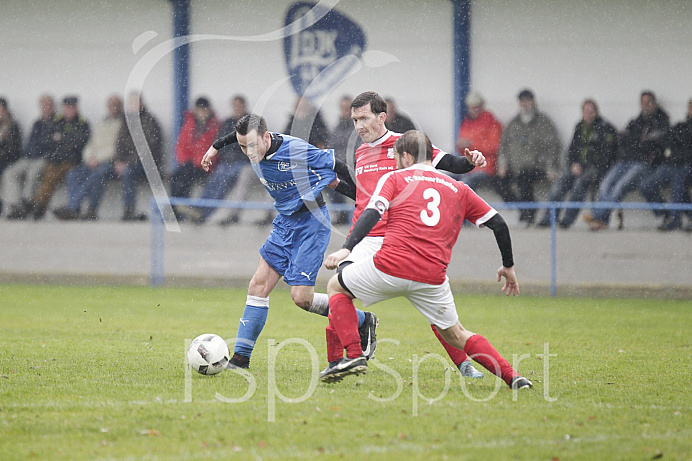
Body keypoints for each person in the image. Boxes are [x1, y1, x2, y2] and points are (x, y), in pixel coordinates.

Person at [319, 130, 532, 391]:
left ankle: (354, 356)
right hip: (432, 277)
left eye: (398, 158)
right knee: (457, 334)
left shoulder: (395, 178)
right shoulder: (459, 188)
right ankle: (514, 378)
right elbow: (499, 224)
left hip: (391, 265)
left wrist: (346, 249)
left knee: (336, 287)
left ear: (406, 157)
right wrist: (508, 266)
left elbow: (372, 213)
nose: (397, 163)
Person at [199, 113, 374, 369]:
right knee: (257, 286)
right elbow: (235, 138)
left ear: (266, 137)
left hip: (312, 223)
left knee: (302, 298)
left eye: (251, 145)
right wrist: (214, 148)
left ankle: (361, 320)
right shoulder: (252, 142)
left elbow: (336, 166)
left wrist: (365, 199)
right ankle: (240, 359)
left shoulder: (296, 150)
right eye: (242, 146)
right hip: (285, 222)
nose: (247, 152)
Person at [341, 91, 488, 379]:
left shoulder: (405, 145)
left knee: (432, 306)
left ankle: (464, 363)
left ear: (382, 117)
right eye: (354, 120)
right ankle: (346, 357)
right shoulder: (359, 152)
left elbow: (453, 164)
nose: (358, 126)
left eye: (364, 118)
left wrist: (471, 162)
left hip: (400, 238)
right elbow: (362, 196)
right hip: (365, 240)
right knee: (339, 291)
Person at [584, 91, 670, 231]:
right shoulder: (636, 121)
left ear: (655, 103)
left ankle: (599, 217)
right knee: (605, 184)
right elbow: (622, 137)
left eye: (648, 102)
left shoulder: (662, 121)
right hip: (627, 160)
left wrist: (638, 143)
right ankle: (601, 220)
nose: (645, 105)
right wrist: (637, 143)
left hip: (645, 164)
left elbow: (654, 143)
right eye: (643, 102)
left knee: (620, 186)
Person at [536, 99, 618, 228]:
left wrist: (590, 165)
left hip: (596, 168)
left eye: (591, 111)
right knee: (560, 183)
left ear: (596, 112)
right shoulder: (579, 127)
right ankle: (549, 218)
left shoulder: (606, 128)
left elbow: (607, 155)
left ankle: (567, 220)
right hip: (578, 167)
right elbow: (572, 150)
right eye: (585, 111)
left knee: (580, 184)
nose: (588, 114)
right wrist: (573, 164)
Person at [178, 95, 253, 225]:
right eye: (235, 106)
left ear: (245, 107)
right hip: (227, 162)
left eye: (239, 106)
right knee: (216, 178)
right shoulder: (228, 123)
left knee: (223, 180)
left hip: (243, 162)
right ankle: (199, 208)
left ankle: (204, 212)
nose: (237, 109)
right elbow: (220, 143)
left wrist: (237, 155)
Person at [53, 95, 124, 220]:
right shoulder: (102, 122)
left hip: (109, 162)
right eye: (111, 105)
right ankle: (76, 209)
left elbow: (116, 147)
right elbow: (91, 143)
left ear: (120, 107)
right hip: (92, 160)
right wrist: (89, 157)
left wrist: (98, 159)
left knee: (97, 175)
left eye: (115, 105)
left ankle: (75, 207)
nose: (113, 108)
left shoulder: (123, 124)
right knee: (72, 174)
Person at [496, 89, 562, 225]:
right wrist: (503, 163)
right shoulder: (513, 124)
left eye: (527, 101)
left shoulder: (543, 122)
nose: (524, 104)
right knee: (498, 182)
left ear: (533, 102)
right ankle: (523, 208)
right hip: (515, 167)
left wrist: (551, 167)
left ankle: (529, 214)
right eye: (522, 101)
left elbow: (553, 146)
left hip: (537, 166)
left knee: (523, 179)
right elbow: (503, 146)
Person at [31, 96, 90, 220]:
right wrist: (64, 142)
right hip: (55, 159)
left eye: (71, 107)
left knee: (51, 178)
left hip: (72, 160)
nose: (69, 110)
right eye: (67, 107)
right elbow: (48, 141)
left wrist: (61, 139)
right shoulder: (57, 121)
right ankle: (37, 205)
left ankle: (38, 206)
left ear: (76, 108)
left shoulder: (82, 123)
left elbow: (79, 144)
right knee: (46, 176)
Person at [640, 98, 692, 231]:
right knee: (646, 185)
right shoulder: (680, 126)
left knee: (678, 181)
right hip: (672, 164)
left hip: (687, 166)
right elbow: (667, 143)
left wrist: (677, 153)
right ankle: (666, 212)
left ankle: (675, 220)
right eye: (690, 106)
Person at [113, 91, 164, 221]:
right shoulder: (127, 121)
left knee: (128, 173)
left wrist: (127, 162)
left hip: (146, 165)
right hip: (125, 163)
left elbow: (147, 148)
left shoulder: (150, 121)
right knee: (96, 172)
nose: (133, 105)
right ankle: (86, 209)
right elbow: (119, 143)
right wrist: (118, 160)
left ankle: (128, 210)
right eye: (130, 103)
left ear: (142, 103)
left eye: (135, 102)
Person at [4, 95, 55, 220]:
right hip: (28, 157)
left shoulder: (56, 123)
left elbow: (54, 145)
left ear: (52, 107)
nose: (45, 108)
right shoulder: (37, 123)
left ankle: (26, 204)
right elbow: (30, 142)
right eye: (43, 105)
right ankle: (14, 204)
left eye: (48, 105)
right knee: (10, 173)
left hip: (44, 158)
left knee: (33, 174)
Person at [171, 96, 220, 219]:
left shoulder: (215, 127)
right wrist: (185, 161)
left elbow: (213, 149)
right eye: (200, 110)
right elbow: (181, 146)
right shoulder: (189, 125)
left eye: (204, 110)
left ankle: (183, 206)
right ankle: (176, 208)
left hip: (206, 166)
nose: (202, 113)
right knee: (176, 176)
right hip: (190, 165)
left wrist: (198, 162)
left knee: (186, 176)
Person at [455, 91, 503, 194]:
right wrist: (460, 146)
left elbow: (494, 147)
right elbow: (461, 149)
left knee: (465, 183)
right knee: (446, 179)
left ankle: (463, 208)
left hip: (485, 166)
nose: (473, 110)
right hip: (468, 166)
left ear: (482, 106)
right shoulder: (466, 123)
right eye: (471, 107)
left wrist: (472, 144)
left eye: (476, 106)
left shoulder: (492, 123)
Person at [326, 95, 357, 225]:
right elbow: (331, 146)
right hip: (339, 166)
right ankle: (341, 213)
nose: (345, 111)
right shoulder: (337, 127)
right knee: (327, 179)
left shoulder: (358, 127)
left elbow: (357, 149)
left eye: (347, 108)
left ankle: (349, 214)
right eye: (343, 108)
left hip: (353, 166)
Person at [0, 97, 24, 216]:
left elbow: (14, 148)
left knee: (8, 174)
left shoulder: (12, 126)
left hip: (7, 160)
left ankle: (12, 206)